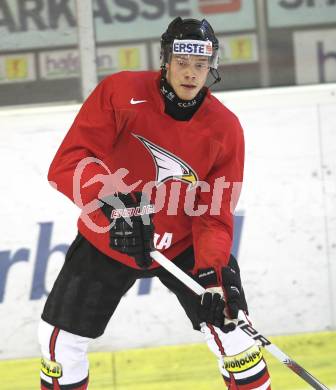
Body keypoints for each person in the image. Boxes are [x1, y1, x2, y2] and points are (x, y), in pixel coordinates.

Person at [38, 17, 271, 390]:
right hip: (110, 241)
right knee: (59, 344)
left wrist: (212, 276)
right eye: (182, 62)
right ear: (165, 59)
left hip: (184, 244)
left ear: (212, 66)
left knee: (235, 334)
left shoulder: (225, 128)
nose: (191, 73)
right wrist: (114, 206)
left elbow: (214, 213)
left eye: (201, 64)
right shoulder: (119, 92)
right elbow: (67, 163)